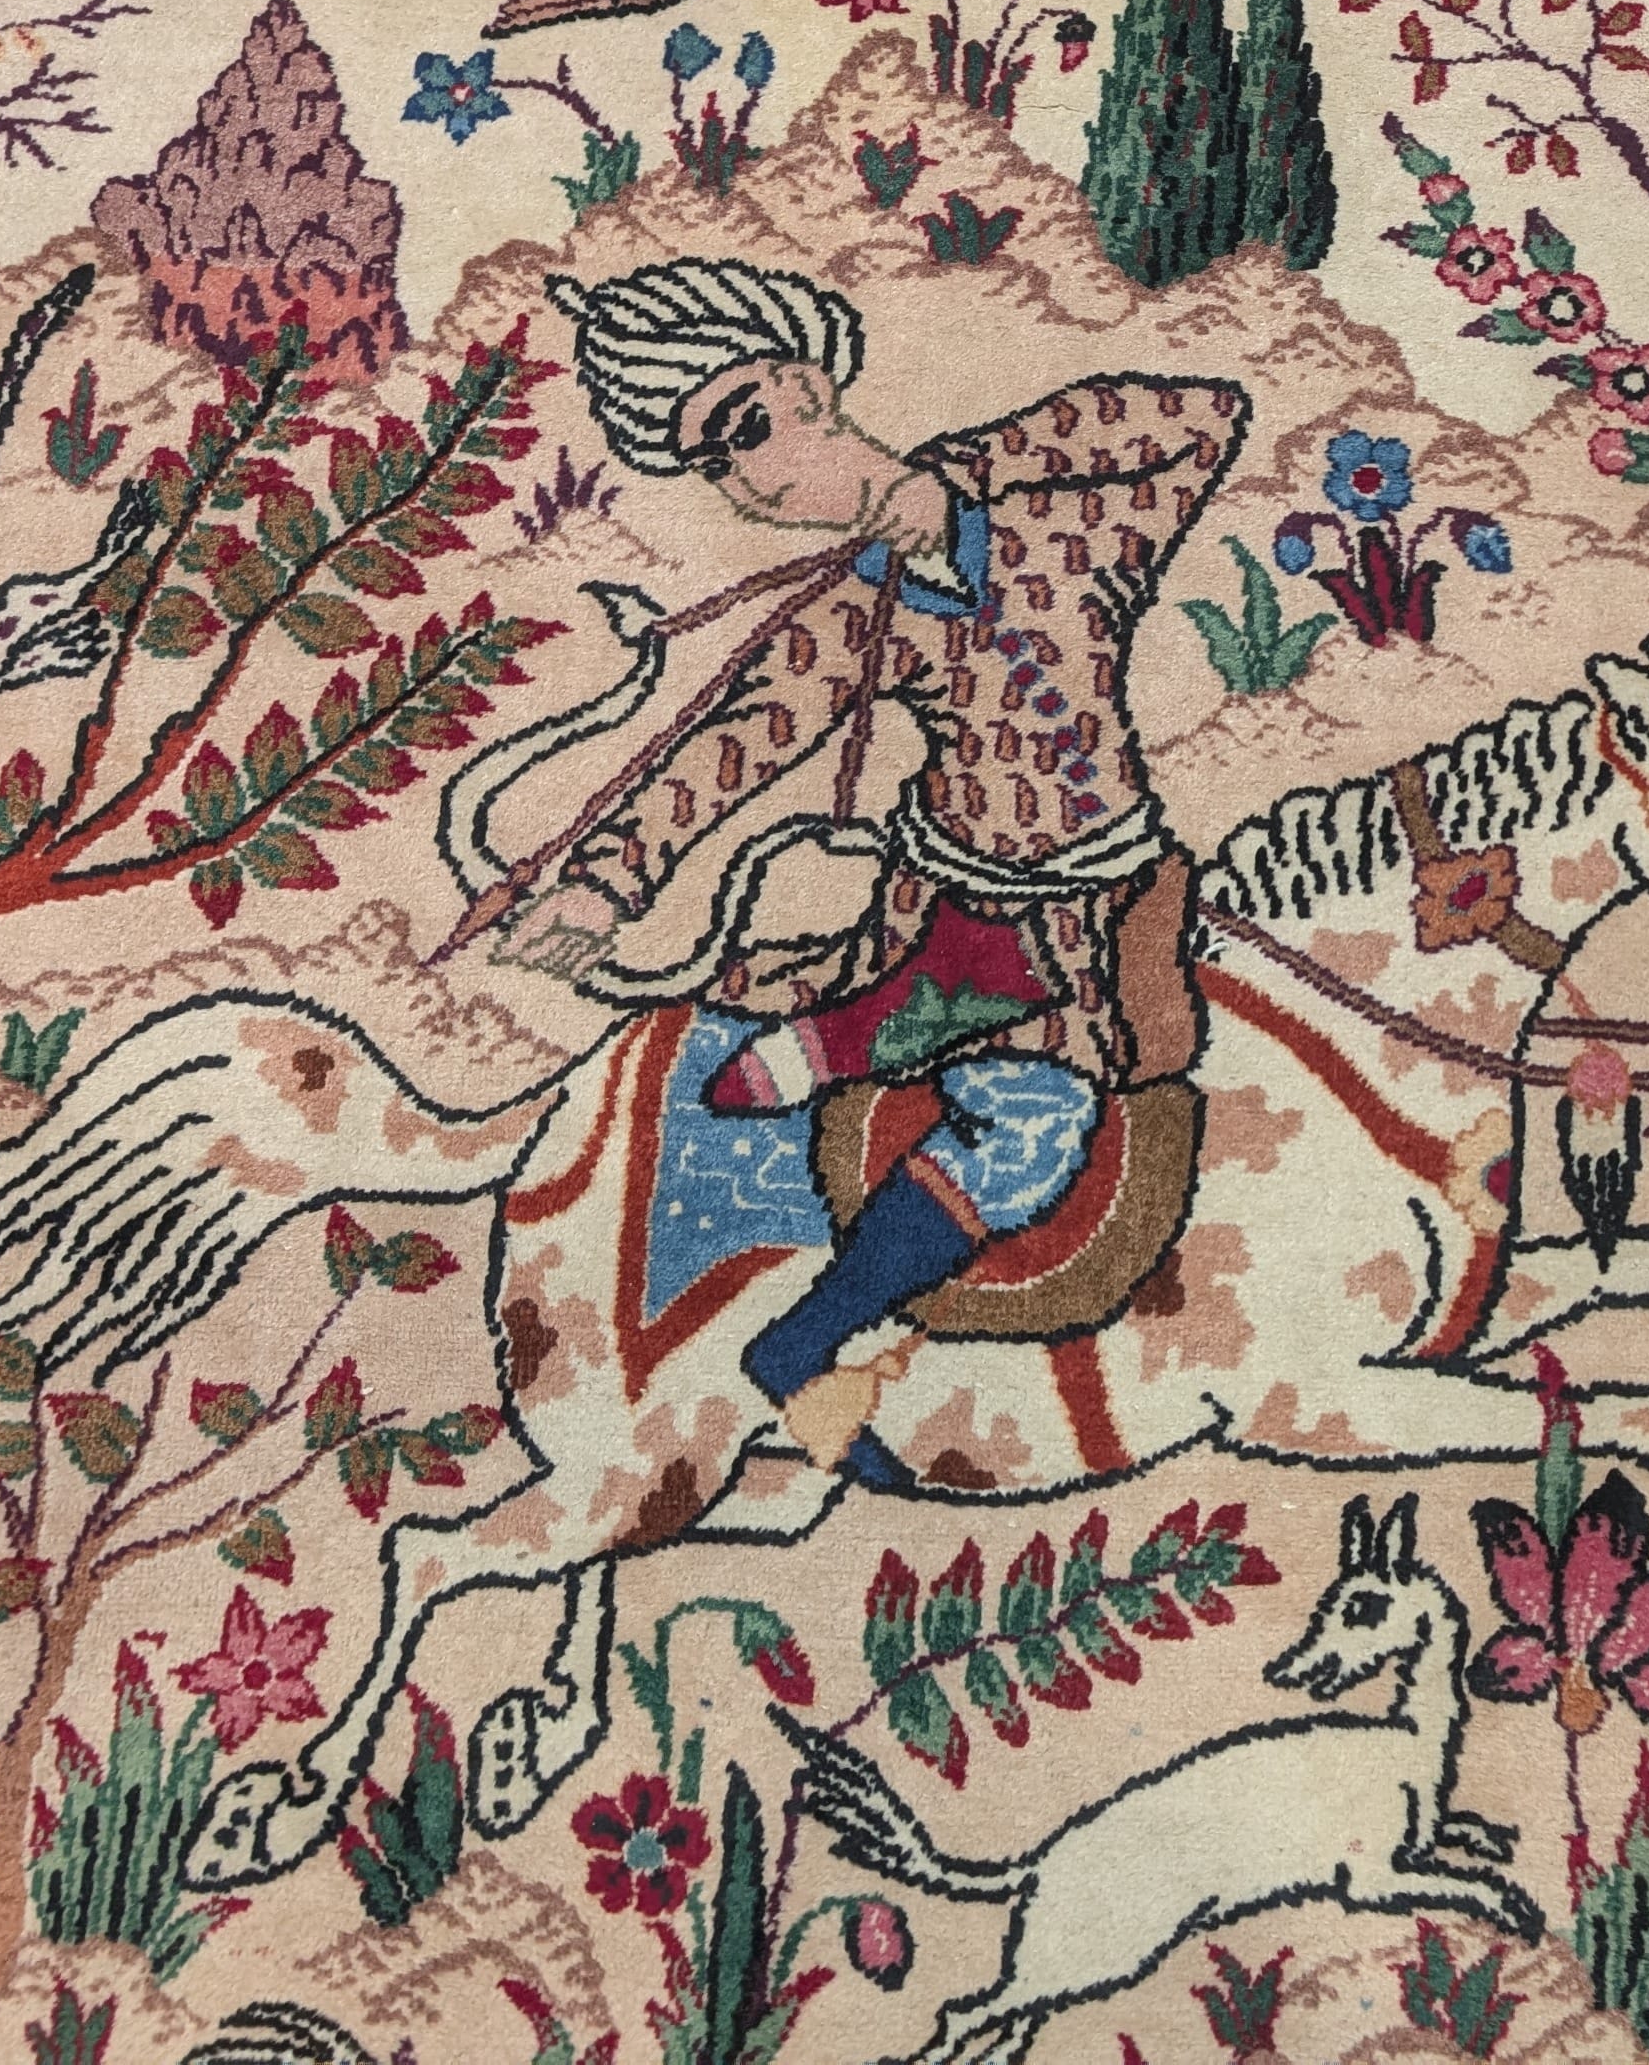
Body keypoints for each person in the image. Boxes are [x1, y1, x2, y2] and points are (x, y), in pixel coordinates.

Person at [496, 255, 1248, 1465]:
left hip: (1114, 894)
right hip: (960, 902)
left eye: (744, 426)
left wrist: (965, 474)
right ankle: (802, 1343)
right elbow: (735, 744)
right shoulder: (856, 613)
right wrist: (605, 883)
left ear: (808, 385)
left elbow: (1205, 417)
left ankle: (864, 1035)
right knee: (1035, 1130)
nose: (746, 479)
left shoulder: (1066, 528)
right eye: (711, 462)